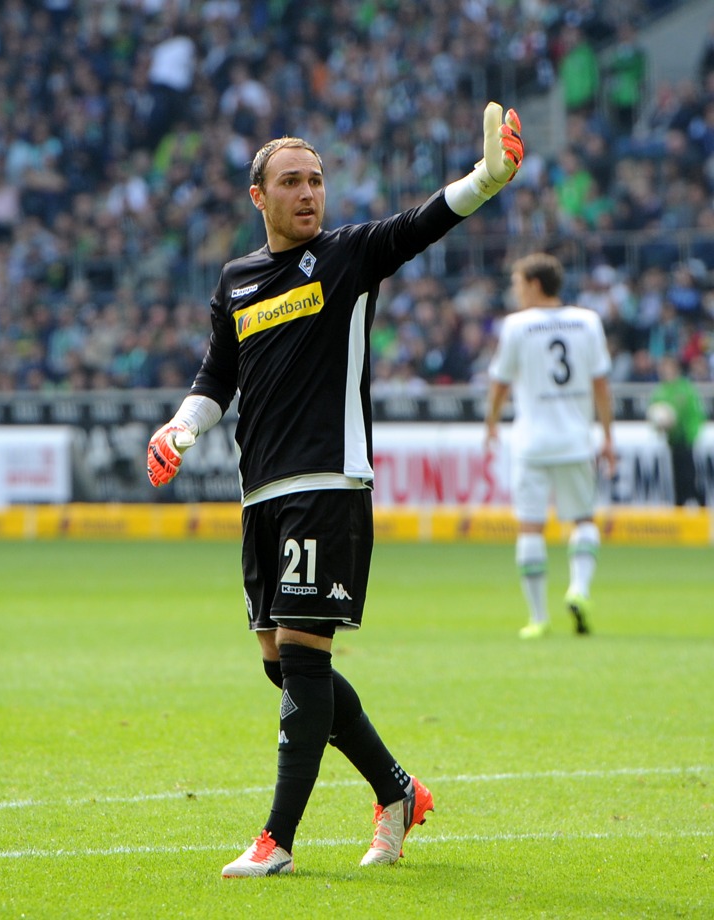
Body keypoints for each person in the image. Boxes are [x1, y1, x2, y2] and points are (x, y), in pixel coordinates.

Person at [146, 104, 524, 876]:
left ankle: (276, 840)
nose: (308, 192)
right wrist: (181, 428)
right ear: (259, 196)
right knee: (279, 665)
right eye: (291, 181)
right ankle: (397, 791)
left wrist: (488, 178)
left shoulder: (348, 257)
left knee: (306, 660)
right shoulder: (238, 281)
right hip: (261, 494)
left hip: (328, 482)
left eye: (316, 179)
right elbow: (218, 376)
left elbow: (424, 221)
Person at [484, 253, 615, 640]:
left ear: (535, 284)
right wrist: (608, 434)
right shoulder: (587, 321)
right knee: (583, 520)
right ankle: (579, 588)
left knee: (530, 527)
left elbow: (500, 384)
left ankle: (538, 618)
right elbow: (601, 385)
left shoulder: (517, 327)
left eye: (518, 283)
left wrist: (491, 423)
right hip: (576, 440)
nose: (515, 290)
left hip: (532, 443)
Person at [648, 354, 706, 507]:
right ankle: (679, 507)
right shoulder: (661, 391)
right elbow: (653, 413)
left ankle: (700, 506)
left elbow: (695, 413)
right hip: (672, 440)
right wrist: (660, 426)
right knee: (676, 477)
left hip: (686, 439)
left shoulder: (685, 388)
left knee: (689, 476)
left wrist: (691, 432)